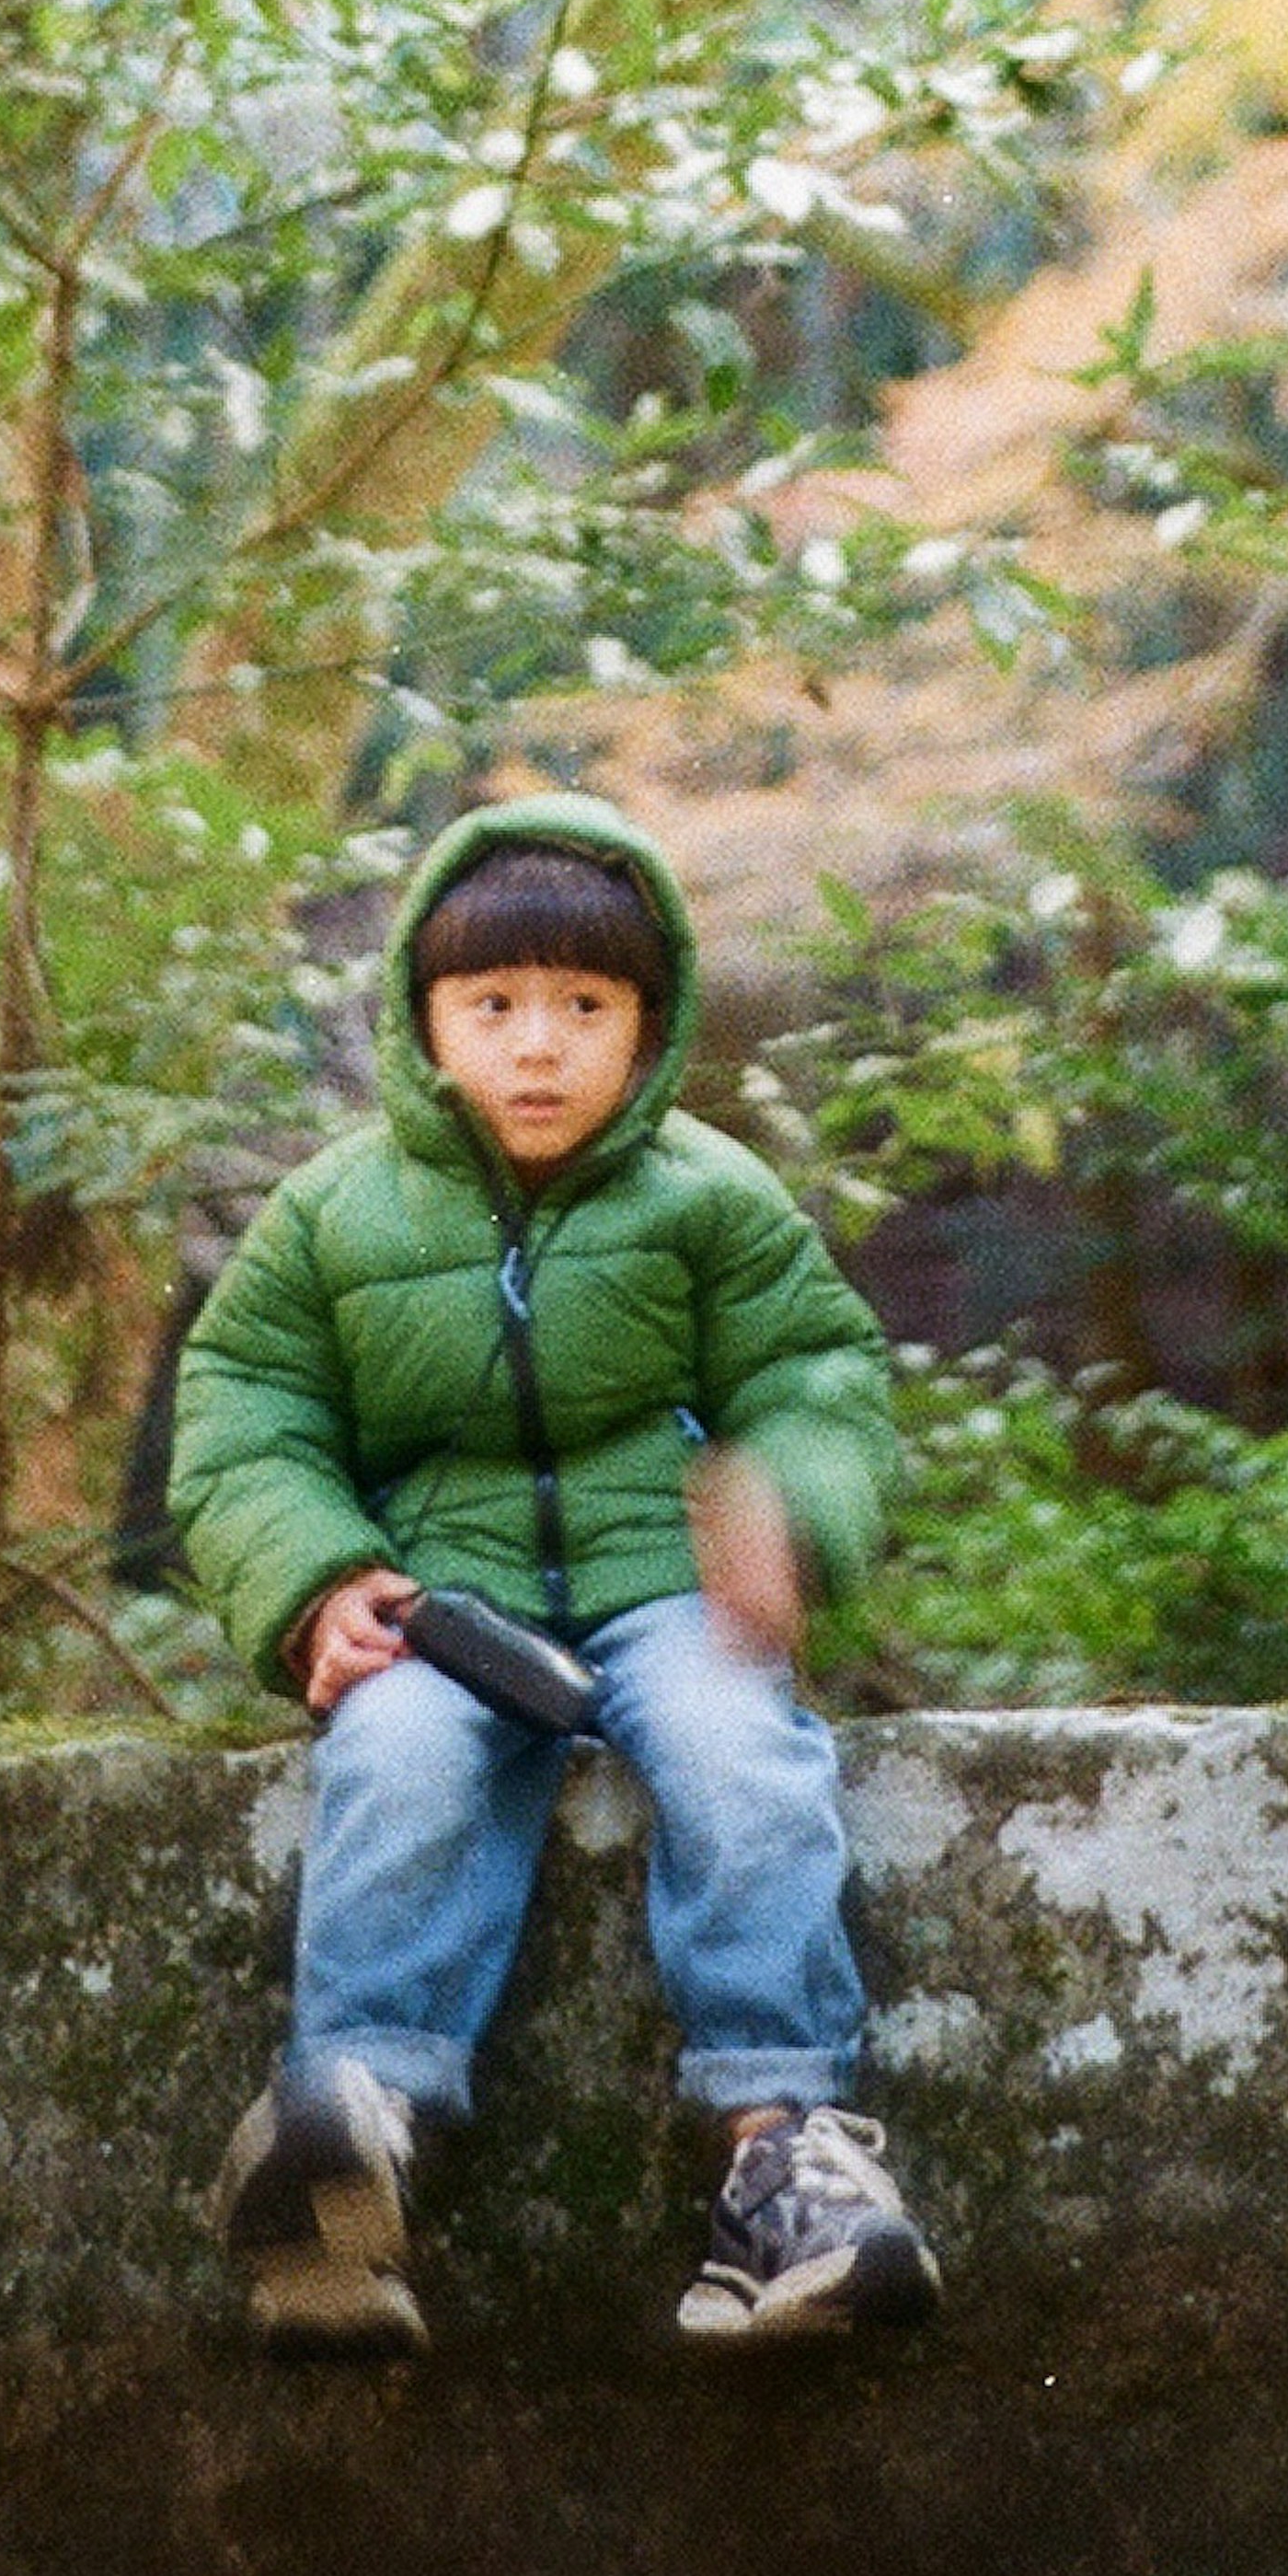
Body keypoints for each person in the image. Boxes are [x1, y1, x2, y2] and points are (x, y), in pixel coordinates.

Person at [168, 790, 940, 2357]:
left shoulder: (708, 1199)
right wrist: (319, 1580)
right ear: (421, 1018)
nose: (537, 1047)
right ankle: (349, 2140)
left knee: (745, 1758)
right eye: (494, 1006)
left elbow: (820, 1384)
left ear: (650, 1028)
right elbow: (248, 1419)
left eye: (585, 1008)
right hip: (445, 1603)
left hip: (672, 1587)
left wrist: (786, 1511)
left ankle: (786, 2157)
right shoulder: (332, 1215)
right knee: (395, 1760)